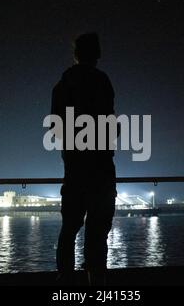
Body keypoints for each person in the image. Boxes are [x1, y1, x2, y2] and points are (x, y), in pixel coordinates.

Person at [50, 33, 117, 285]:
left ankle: (65, 280)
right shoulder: (103, 81)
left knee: (69, 228)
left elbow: (56, 128)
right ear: (97, 55)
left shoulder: (63, 83)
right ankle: (96, 282)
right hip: (101, 167)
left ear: (75, 54)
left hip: (75, 168)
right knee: (98, 232)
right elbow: (110, 124)